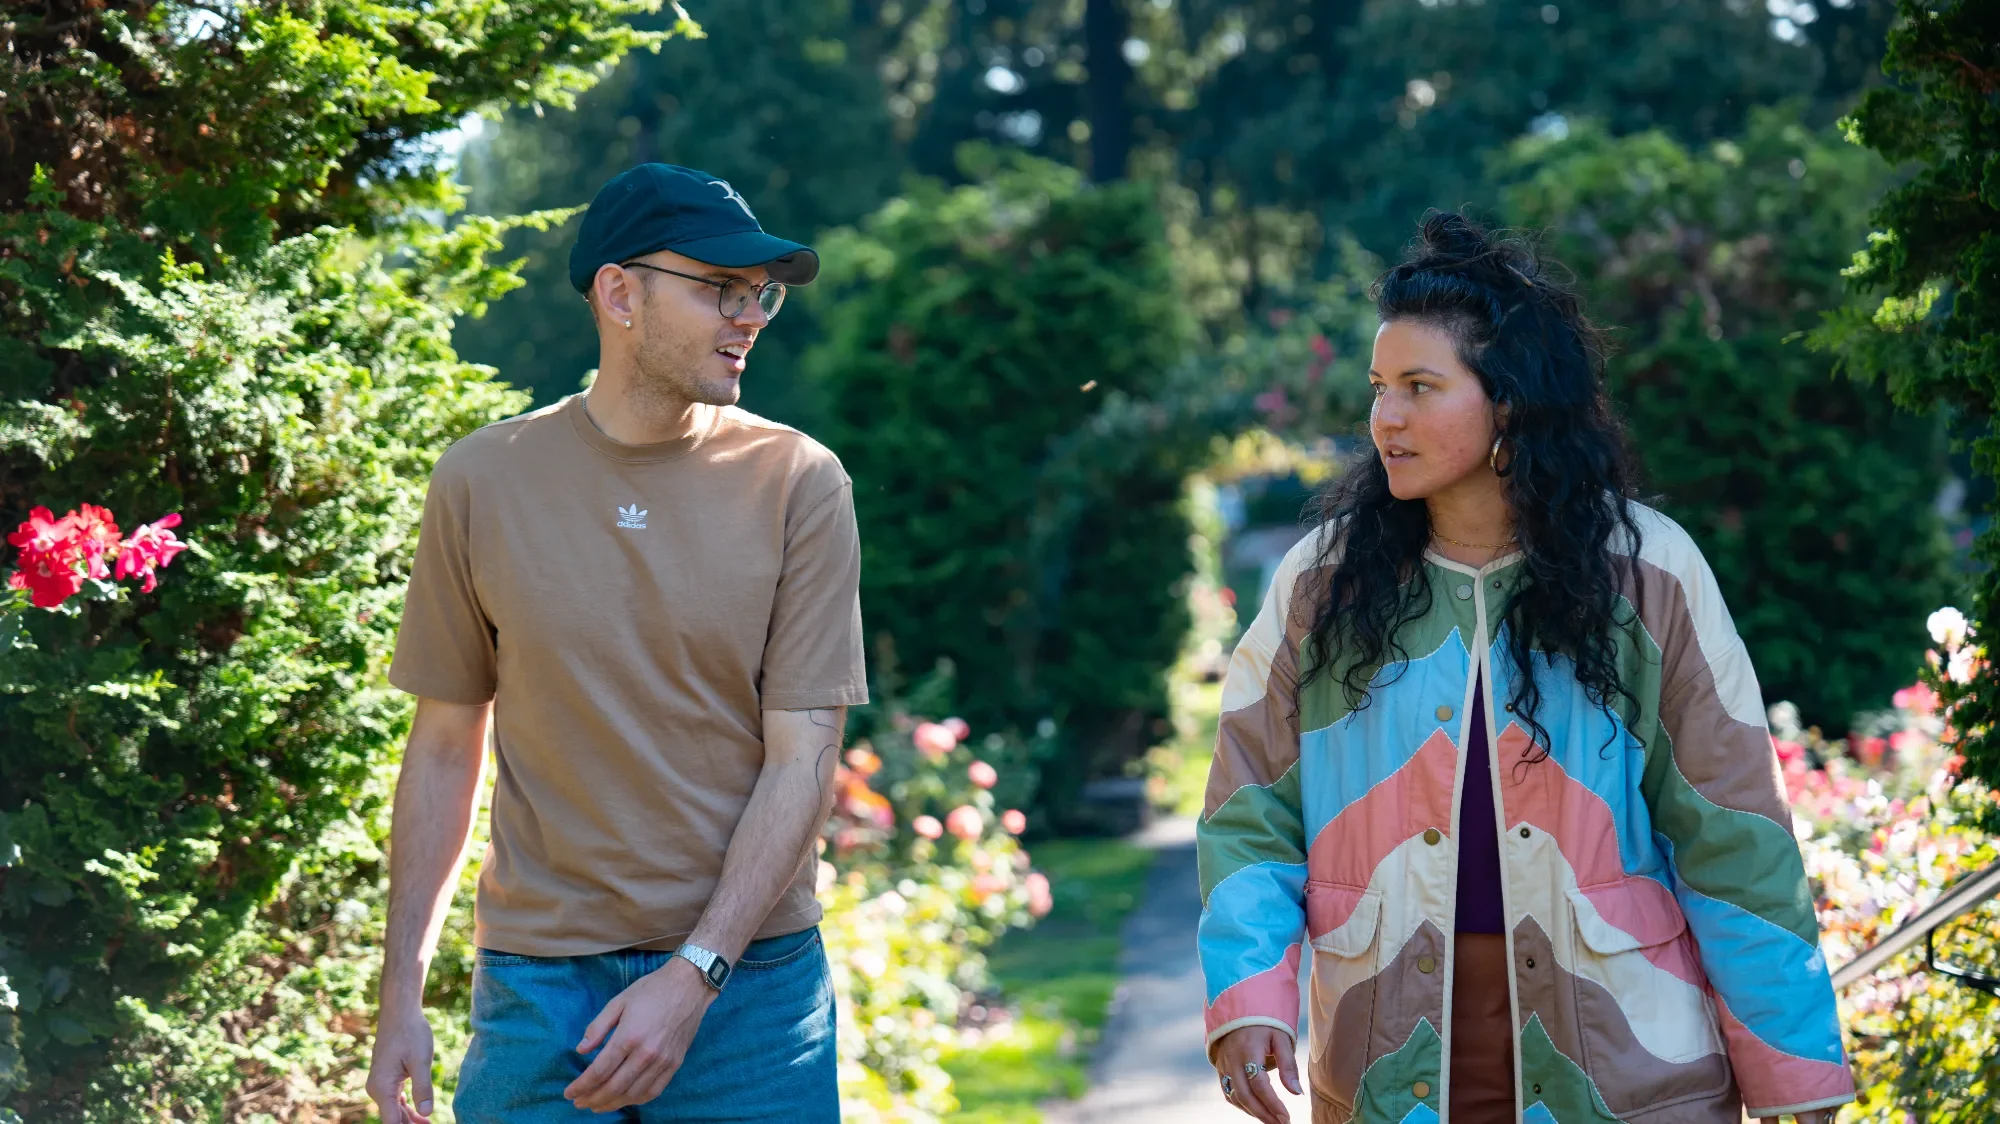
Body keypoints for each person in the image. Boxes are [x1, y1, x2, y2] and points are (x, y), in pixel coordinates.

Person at [1197, 213, 1851, 1124]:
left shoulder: (1649, 573)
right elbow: (1250, 812)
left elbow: (1733, 838)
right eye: (1380, 387)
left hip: (1629, 1071)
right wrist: (1249, 997)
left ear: (1508, 399)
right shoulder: (1322, 583)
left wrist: (1795, 1079)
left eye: (1421, 387)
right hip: (1386, 1071)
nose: (1386, 416)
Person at [364, 163, 866, 1124]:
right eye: (719, 286)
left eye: (758, 291)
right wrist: (401, 998)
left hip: (750, 993)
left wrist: (695, 975)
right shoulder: (481, 480)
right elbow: (441, 748)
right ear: (619, 293)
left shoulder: (800, 481)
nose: (750, 314)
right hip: (537, 994)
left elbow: (805, 757)